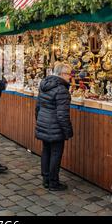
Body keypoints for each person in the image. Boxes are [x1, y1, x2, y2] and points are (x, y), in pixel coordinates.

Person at [35, 62, 74, 191]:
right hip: (55, 127)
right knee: (56, 154)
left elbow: (38, 107)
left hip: (44, 124)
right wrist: (68, 131)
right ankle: (53, 182)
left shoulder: (44, 85)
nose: (70, 77)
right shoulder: (62, 90)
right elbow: (62, 115)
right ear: (62, 74)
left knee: (46, 151)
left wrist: (39, 121)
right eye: (69, 74)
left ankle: (46, 179)